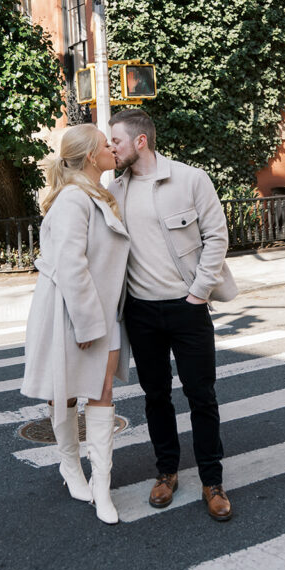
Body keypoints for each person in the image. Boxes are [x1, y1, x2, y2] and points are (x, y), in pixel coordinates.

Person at [109, 108, 238, 521]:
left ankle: (212, 481)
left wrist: (198, 294)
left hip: (187, 308)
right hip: (141, 311)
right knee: (156, 397)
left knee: (202, 396)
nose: (111, 148)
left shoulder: (190, 179)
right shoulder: (115, 189)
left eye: (116, 141)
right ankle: (166, 473)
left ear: (140, 142)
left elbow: (217, 236)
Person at [21, 124, 130, 524]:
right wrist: (87, 325)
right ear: (89, 156)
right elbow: (71, 266)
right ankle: (71, 467)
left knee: (102, 392)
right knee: (65, 392)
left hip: (104, 312)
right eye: (106, 145)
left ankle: (103, 487)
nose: (112, 150)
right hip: (72, 312)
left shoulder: (97, 193)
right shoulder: (72, 199)